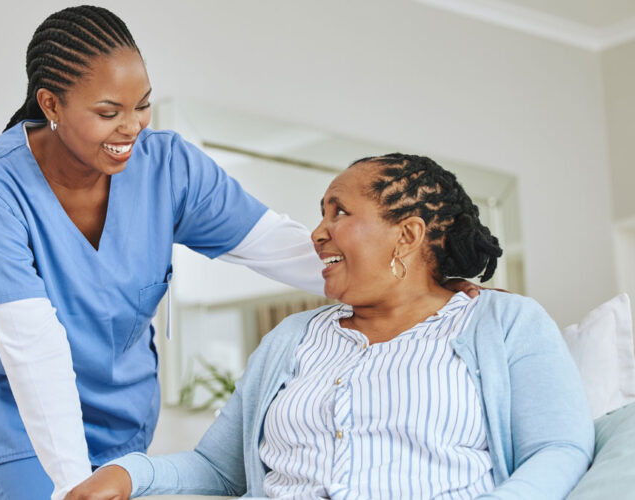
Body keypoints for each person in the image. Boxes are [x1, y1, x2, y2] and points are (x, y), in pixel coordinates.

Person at [0, 6, 479, 499]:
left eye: (143, 105)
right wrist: (70, 485)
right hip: (17, 412)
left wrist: (424, 283)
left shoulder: (168, 167)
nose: (132, 127)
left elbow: (280, 247)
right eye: (109, 112)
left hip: (123, 414)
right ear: (50, 104)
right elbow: (30, 347)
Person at [69, 154, 595, 500]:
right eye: (322, 214)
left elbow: (558, 449)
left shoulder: (504, 323)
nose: (318, 233)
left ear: (407, 235)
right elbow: (221, 470)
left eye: (338, 212)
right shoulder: (291, 339)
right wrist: (132, 474)